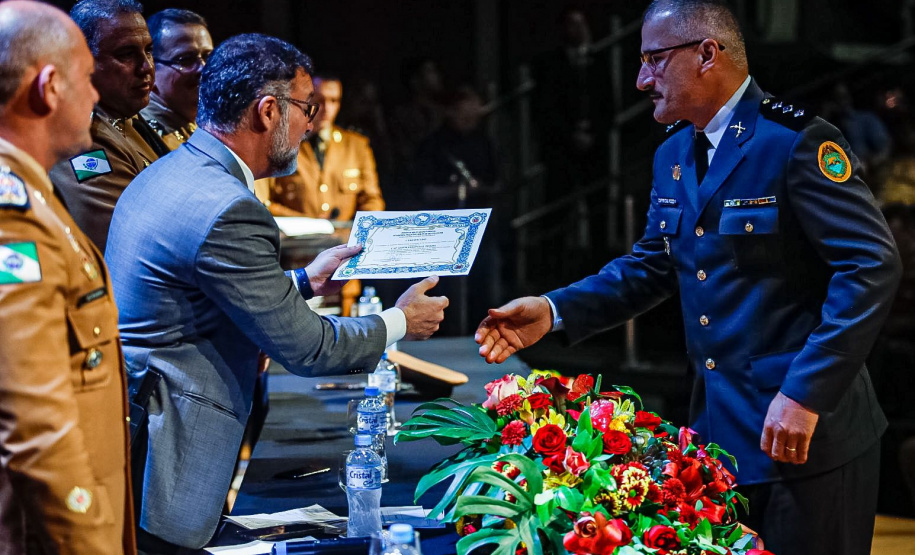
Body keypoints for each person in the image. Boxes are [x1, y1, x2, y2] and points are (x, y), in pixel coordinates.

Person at [475, 2, 901, 554]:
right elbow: (654, 263)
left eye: (654, 59)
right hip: (720, 435)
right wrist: (554, 310)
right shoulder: (675, 152)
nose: (641, 79)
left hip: (807, 432)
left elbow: (871, 265)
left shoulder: (794, 142)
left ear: (707, 54)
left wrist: (805, 392)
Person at [105, 34, 448, 552]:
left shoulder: (174, 171)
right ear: (268, 111)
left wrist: (305, 282)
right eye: (306, 108)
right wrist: (400, 322)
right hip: (166, 451)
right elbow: (309, 348)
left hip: (134, 432)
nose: (311, 124)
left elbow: (199, 297)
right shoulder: (229, 207)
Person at [0, 2, 135, 553]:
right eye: (86, 78)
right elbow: (33, 428)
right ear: (49, 87)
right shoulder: (12, 219)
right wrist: (87, 542)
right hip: (53, 533)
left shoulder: (35, 198)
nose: (97, 95)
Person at [49, 0, 168, 253]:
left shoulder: (129, 118)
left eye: (148, 50)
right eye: (126, 54)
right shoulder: (84, 139)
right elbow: (132, 243)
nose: (146, 67)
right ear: (83, 61)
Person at [266, 75, 385, 219]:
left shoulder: (356, 146)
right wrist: (309, 223)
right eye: (319, 100)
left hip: (344, 238)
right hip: (297, 239)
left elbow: (371, 200)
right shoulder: (282, 143)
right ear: (306, 101)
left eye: (334, 100)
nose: (327, 108)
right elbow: (265, 201)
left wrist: (363, 230)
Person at [141, 8, 213, 150]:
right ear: (151, 67)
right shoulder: (144, 135)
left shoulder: (207, 123)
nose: (203, 68)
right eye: (186, 59)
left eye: (208, 57)